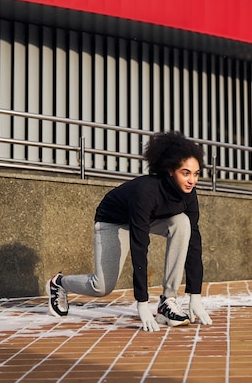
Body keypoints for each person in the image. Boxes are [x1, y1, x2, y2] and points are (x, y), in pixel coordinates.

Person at [46, 131, 212, 332]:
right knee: (101, 287)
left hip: (149, 219)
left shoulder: (189, 195)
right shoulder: (146, 192)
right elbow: (140, 246)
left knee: (183, 223)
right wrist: (141, 303)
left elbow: (194, 243)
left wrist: (195, 295)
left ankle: (167, 301)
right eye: (185, 173)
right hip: (113, 221)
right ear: (170, 170)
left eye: (196, 174)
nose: (192, 180)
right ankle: (59, 283)